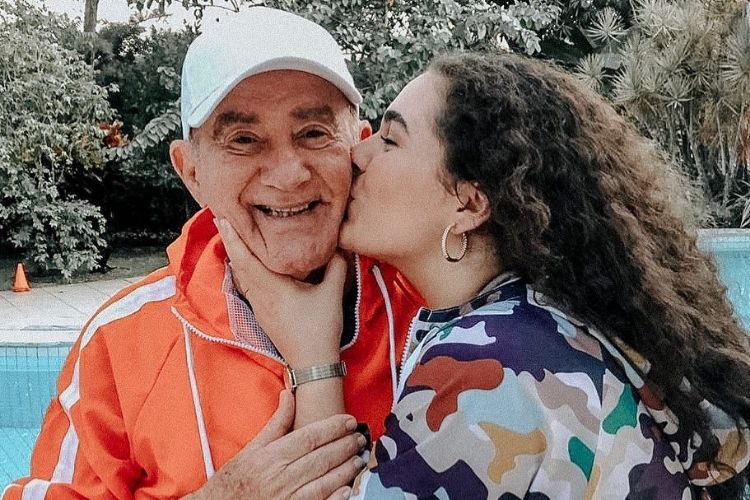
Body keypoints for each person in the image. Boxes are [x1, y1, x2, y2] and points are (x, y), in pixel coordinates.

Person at [219, 52, 750, 498]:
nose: (358, 153)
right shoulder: (553, 325)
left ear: (469, 204)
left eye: (391, 139)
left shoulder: (483, 368)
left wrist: (314, 360)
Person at [2, 8, 421, 500]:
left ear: (358, 147)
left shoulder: (431, 308)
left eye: (313, 132)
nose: (288, 174)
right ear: (192, 172)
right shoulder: (119, 344)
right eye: (244, 140)